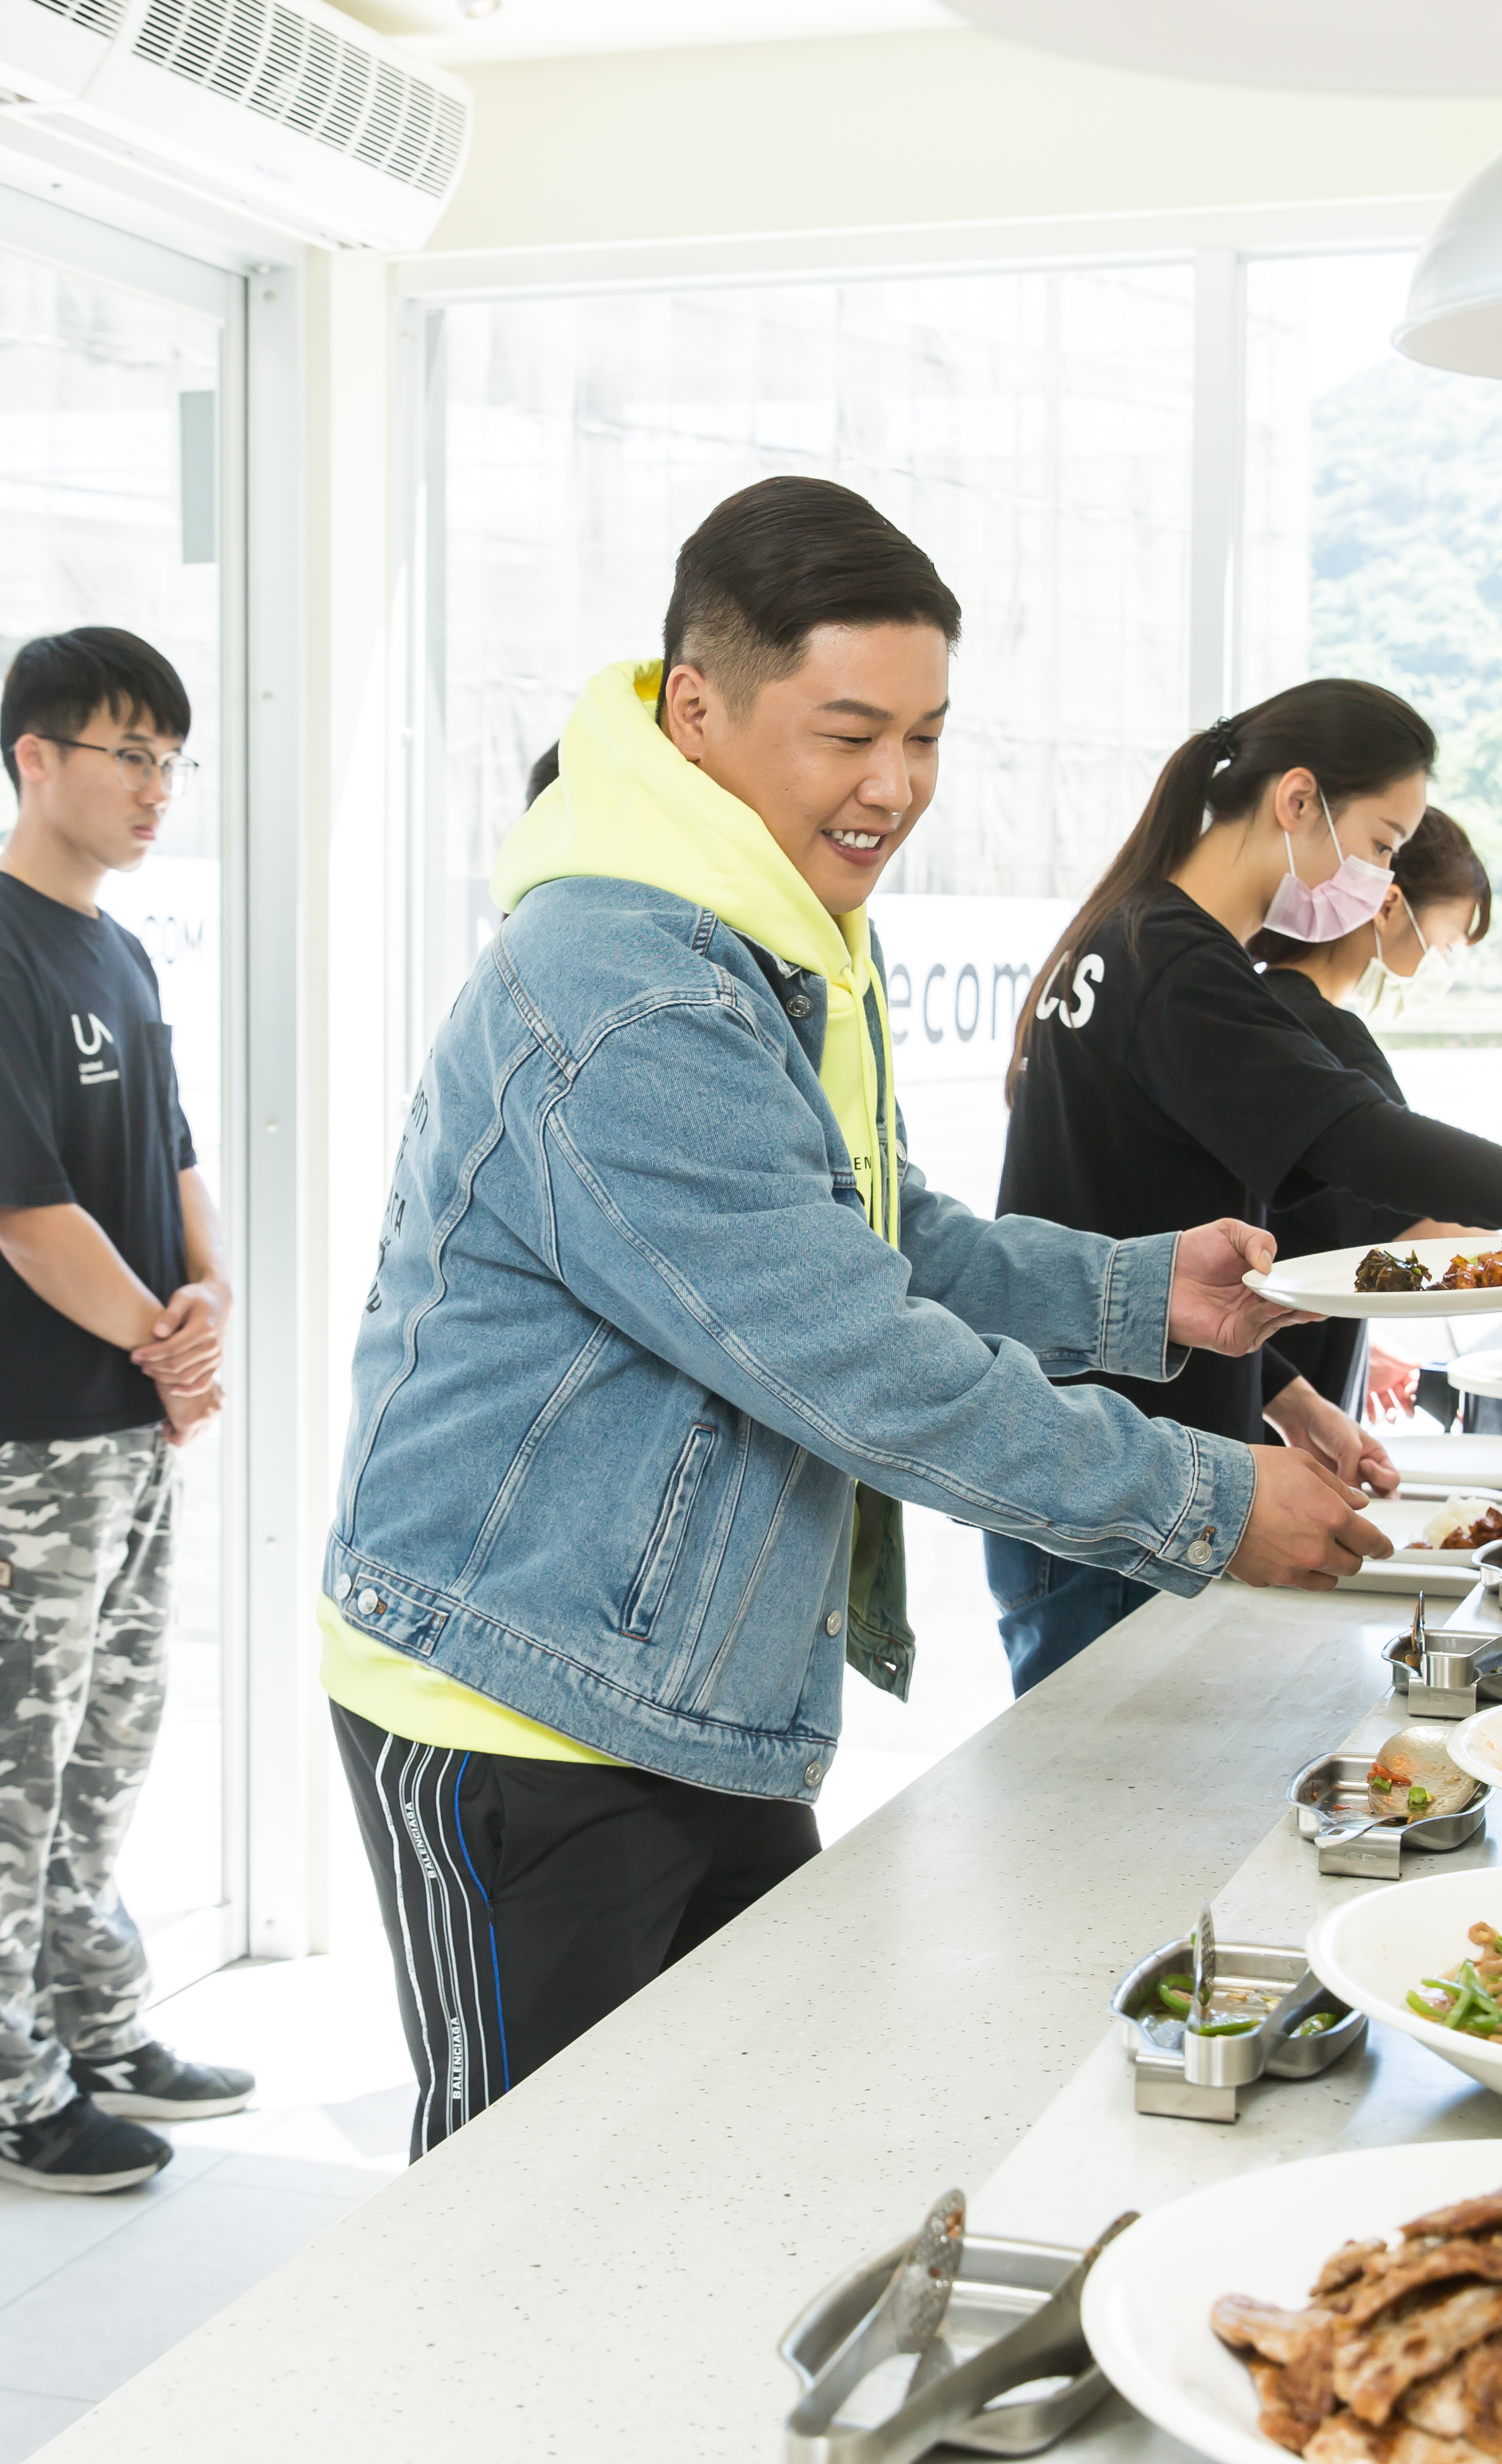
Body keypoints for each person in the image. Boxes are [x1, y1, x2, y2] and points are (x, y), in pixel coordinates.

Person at [321, 477, 1381, 2160]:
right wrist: (1206, 1499)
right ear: (696, 708)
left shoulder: (756, 921)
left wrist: (1134, 1291)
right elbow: (857, 1358)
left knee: (707, 2162)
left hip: (688, 1679)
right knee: (517, 2207)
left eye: (926, 734)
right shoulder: (629, 979)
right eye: (844, 732)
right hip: (519, 1691)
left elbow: (871, 1233)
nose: (893, 785)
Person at [989, 679, 1502, 1693]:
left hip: (1110, 1467)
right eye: (1386, 841)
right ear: (1299, 801)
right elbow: (1364, 1140)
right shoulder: (1176, 965)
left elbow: (1127, 1227)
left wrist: (1289, 1396)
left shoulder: (1129, 944)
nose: (1384, 878)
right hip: (1122, 1488)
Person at [0, 626, 254, 2197]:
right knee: (1, 1759)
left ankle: (89, 2017)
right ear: (34, 758)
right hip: (17, 1430)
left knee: (106, 1737)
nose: (155, 786)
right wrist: (164, 1347)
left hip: (121, 1417)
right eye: (127, 754)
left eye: (169, 758)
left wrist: (207, 1295)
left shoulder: (117, 947)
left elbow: (169, 1161)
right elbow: (20, 1213)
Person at [1254, 806, 1495, 1421]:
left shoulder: (1260, 1009)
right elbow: (1420, 1241)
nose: (1435, 967)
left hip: (1267, 1374)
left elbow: (1321, 1225)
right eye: (1444, 943)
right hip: (1277, 1409)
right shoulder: (1327, 1038)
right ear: (1387, 905)